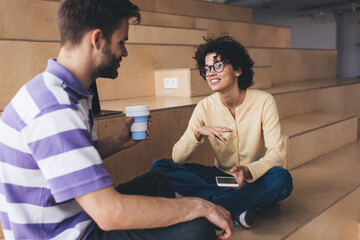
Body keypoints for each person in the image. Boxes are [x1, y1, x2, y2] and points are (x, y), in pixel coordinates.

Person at [0, 1, 234, 239]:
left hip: (76, 215)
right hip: (68, 233)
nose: (124, 52)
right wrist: (198, 206)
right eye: (121, 42)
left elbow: (63, 161)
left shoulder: (63, 91)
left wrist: (116, 142)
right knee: (196, 229)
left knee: (157, 181)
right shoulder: (53, 108)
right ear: (97, 39)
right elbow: (109, 213)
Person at [151, 35, 294, 229]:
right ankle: (237, 206)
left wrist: (248, 170)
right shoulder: (204, 107)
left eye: (217, 66)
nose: (210, 73)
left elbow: (277, 154)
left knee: (282, 179)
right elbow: (177, 157)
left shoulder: (264, 101)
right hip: (220, 178)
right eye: (207, 68)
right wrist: (197, 133)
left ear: (237, 69)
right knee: (160, 167)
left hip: (253, 179)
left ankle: (210, 207)